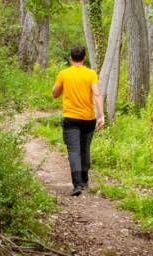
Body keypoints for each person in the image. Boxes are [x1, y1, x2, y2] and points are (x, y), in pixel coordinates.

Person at [52, 46, 105, 196]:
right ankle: (84, 180)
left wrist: (60, 86)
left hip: (71, 118)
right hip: (88, 118)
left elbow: (55, 93)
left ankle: (77, 184)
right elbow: (97, 93)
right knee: (85, 148)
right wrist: (101, 115)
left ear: (71, 58)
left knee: (74, 150)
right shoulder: (91, 74)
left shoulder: (63, 74)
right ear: (84, 58)